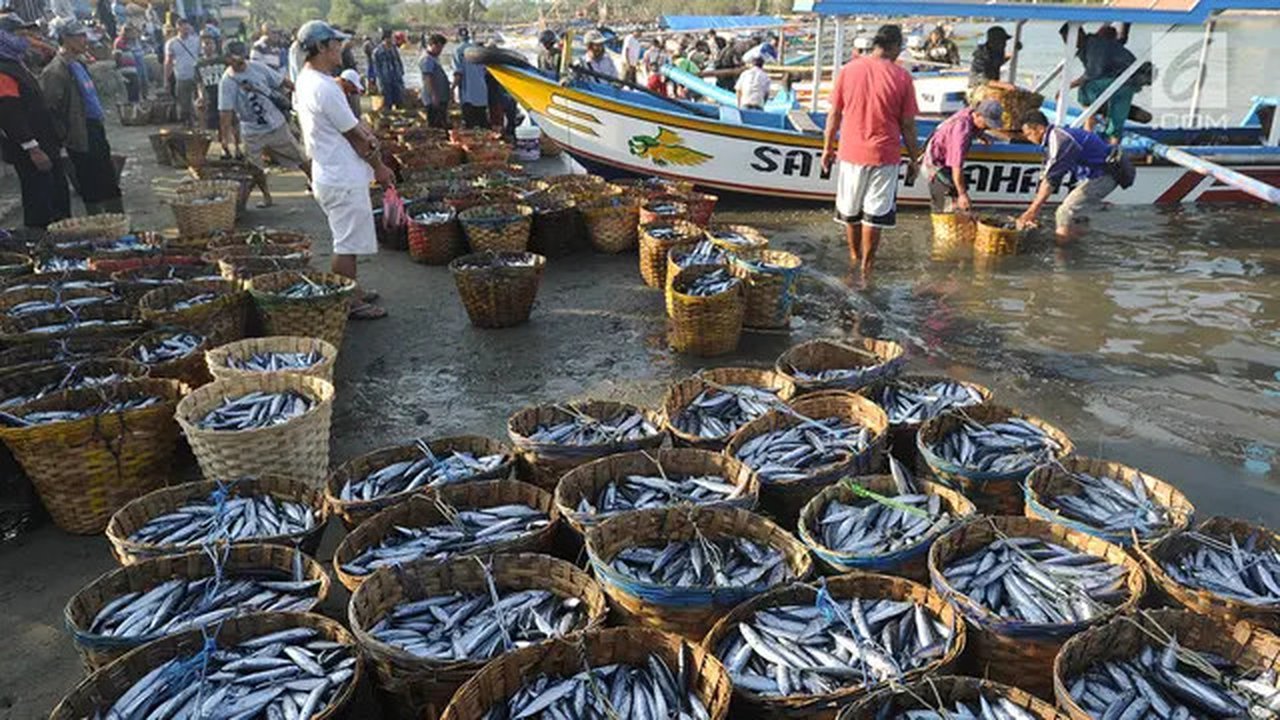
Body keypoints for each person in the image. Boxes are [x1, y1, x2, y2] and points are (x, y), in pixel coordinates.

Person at [294, 20, 390, 320]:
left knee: (347, 239)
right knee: (346, 244)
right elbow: (357, 139)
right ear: (321, 47)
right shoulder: (325, 87)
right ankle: (349, 302)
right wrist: (380, 168)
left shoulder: (307, 80)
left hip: (329, 172)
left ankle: (352, 290)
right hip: (341, 176)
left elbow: (352, 128)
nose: (340, 47)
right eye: (335, 43)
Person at [820, 24, 919, 281]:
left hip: (850, 152)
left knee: (850, 211)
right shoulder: (902, 77)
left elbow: (834, 115)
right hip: (884, 154)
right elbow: (908, 125)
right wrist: (915, 158)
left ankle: (854, 258)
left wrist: (827, 148)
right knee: (874, 214)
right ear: (894, 46)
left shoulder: (848, 70)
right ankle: (867, 267)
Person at [42, 17, 123, 215]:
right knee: (90, 180)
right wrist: (65, 135)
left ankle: (117, 220)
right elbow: (51, 109)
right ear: (65, 39)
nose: (84, 40)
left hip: (94, 126)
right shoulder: (55, 71)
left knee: (107, 177)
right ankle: (97, 221)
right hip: (78, 132)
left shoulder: (79, 64)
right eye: (79, 36)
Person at [0, 12, 71, 231]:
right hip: (31, 149)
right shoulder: (3, 71)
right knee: (40, 201)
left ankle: (62, 238)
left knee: (57, 195)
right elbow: (10, 114)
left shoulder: (16, 63)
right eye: (19, 34)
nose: (25, 39)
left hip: (44, 142)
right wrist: (33, 148)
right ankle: (41, 241)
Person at [219, 39, 307, 207]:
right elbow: (225, 113)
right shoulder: (227, 81)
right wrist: (225, 138)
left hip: (275, 123)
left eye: (241, 55)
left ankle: (314, 184)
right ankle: (267, 196)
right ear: (228, 59)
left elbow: (281, 81)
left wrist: (302, 93)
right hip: (251, 129)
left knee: (299, 157)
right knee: (255, 167)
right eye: (235, 56)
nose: (240, 59)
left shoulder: (257, 67)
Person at [1016, 110, 1118, 243]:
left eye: (1029, 134)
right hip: (1093, 175)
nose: (1028, 139)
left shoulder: (1061, 141)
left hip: (1104, 175)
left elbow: (1050, 181)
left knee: (1064, 212)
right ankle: (1076, 244)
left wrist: (1032, 211)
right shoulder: (1057, 135)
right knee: (1076, 217)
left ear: (1040, 129)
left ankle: (1061, 251)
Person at [923, 98, 1003, 213]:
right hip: (935, 163)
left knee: (960, 189)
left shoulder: (970, 112)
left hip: (941, 154)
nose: (988, 127)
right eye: (986, 124)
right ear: (978, 115)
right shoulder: (961, 132)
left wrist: (980, 134)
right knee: (945, 206)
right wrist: (962, 194)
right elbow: (956, 166)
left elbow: (975, 124)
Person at [1070, 24, 1140, 143]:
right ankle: (1114, 145)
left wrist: (1070, 85)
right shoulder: (1114, 46)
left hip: (1122, 81)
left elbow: (1092, 73)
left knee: (1086, 88)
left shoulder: (1095, 45)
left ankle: (1089, 126)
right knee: (1117, 122)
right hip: (1130, 82)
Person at [196, 30, 235, 158]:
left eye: (210, 43)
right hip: (210, 96)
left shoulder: (222, 60)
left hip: (225, 94)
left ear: (215, 45)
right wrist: (201, 97)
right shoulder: (199, 64)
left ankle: (234, 148)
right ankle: (222, 148)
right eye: (205, 44)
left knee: (230, 123)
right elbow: (199, 83)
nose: (208, 46)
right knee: (215, 125)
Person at [164, 16, 200, 125]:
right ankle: (188, 123)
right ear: (178, 28)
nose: (186, 29)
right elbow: (168, 62)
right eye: (183, 27)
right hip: (182, 76)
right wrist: (166, 79)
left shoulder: (196, 40)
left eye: (187, 27)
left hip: (197, 75)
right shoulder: (172, 43)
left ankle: (199, 121)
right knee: (184, 102)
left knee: (199, 100)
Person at [968, 26, 1017, 96]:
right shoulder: (981, 55)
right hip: (978, 88)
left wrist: (1014, 52)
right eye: (1002, 41)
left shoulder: (997, 51)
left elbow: (996, 63)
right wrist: (1003, 85)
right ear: (994, 41)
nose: (1005, 44)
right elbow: (980, 79)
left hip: (992, 86)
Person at [419, 32, 449, 129]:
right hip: (434, 99)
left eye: (442, 48)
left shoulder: (434, 58)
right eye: (439, 47)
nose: (440, 50)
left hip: (441, 96)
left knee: (442, 122)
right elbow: (428, 78)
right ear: (431, 45)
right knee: (435, 125)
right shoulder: (427, 59)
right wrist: (433, 95)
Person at [113, 24, 146, 103]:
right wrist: (119, 69)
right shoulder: (119, 42)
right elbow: (117, 56)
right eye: (130, 32)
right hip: (125, 70)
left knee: (135, 88)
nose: (132, 34)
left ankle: (135, 103)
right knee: (130, 90)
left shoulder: (128, 42)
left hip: (132, 69)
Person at [371, 28, 402, 108]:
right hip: (385, 80)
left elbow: (399, 61)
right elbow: (376, 68)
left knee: (399, 100)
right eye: (391, 38)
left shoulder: (394, 49)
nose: (393, 40)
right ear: (386, 38)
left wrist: (401, 73)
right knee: (387, 102)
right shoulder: (377, 52)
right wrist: (379, 81)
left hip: (396, 78)